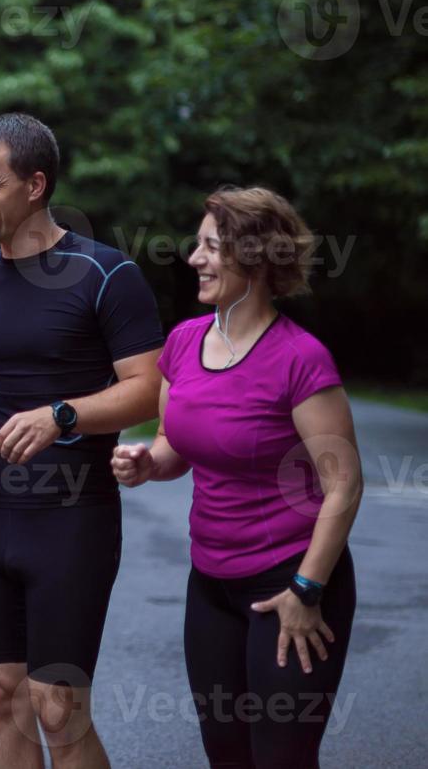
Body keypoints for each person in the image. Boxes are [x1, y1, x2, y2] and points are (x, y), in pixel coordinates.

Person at [0, 113, 164, 769]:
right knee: (3, 698)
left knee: (57, 705)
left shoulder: (107, 275)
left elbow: (148, 388)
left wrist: (63, 415)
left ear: (34, 184)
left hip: (72, 521)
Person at [112, 187, 361, 769]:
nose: (194, 259)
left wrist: (307, 591)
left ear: (255, 258)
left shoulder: (300, 359)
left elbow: (344, 485)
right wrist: (149, 462)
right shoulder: (183, 342)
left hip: (292, 581)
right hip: (212, 584)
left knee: (281, 756)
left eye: (210, 247)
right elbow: (176, 444)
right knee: (226, 753)